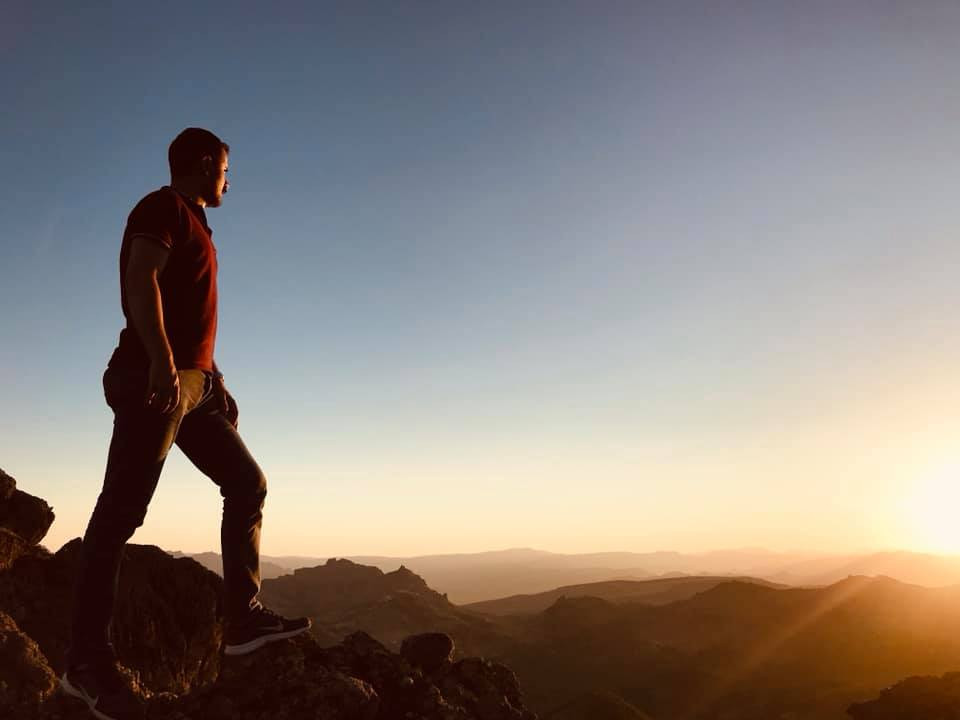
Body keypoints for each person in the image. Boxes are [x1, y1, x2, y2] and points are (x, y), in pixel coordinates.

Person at [60, 128, 311, 720]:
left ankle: (243, 620)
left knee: (248, 483)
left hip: (192, 386)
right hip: (155, 379)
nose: (230, 180)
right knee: (119, 515)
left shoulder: (199, 224)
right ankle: (85, 662)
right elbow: (139, 279)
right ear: (203, 165)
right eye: (225, 169)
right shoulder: (162, 207)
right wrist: (163, 363)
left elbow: (189, 311)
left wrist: (214, 382)